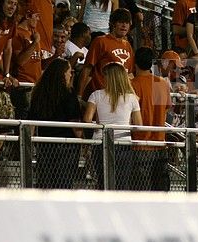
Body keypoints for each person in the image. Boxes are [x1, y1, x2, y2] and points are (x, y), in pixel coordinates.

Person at [83, 62, 142, 189]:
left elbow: (87, 119)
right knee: (122, 184)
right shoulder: (132, 98)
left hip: (100, 143)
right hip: (123, 144)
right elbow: (139, 124)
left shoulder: (96, 95)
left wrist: (99, 123)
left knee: (103, 182)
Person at [29, 58, 82, 189]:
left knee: (46, 184)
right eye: (70, 72)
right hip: (67, 147)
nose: (71, 75)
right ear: (62, 74)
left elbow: (31, 121)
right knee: (64, 184)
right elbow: (74, 122)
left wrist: (29, 144)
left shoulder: (39, 93)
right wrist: (83, 141)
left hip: (45, 145)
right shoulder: (68, 94)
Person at [131, 47, 172, 191]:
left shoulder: (132, 85)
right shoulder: (162, 83)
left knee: (141, 191)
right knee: (160, 192)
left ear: (134, 62)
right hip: (159, 143)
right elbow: (166, 109)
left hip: (139, 144)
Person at [77, 8, 134, 99]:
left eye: (127, 22)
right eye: (120, 22)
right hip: (100, 95)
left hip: (120, 96)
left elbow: (129, 74)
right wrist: (79, 95)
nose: (124, 25)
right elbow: (87, 69)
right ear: (113, 23)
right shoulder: (100, 41)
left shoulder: (128, 46)